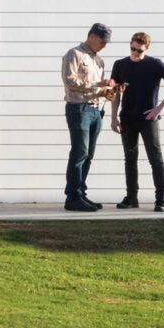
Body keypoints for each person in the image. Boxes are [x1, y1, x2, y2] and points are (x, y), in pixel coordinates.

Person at [109, 31, 164, 212]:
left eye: (139, 50)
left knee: (155, 158)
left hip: (148, 119)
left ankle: (160, 200)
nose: (135, 53)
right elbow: (115, 94)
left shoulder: (155, 64)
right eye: (132, 49)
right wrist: (113, 117)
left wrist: (160, 107)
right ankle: (131, 198)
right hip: (127, 119)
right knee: (130, 159)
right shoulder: (120, 65)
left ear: (146, 49)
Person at [61, 22, 113, 212]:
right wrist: (98, 84)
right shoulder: (74, 54)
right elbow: (69, 80)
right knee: (79, 152)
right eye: (102, 41)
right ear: (91, 36)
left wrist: (109, 91)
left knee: (88, 154)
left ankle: (81, 194)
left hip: (95, 110)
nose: (104, 45)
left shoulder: (99, 60)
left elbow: (99, 89)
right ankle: (73, 197)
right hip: (78, 108)